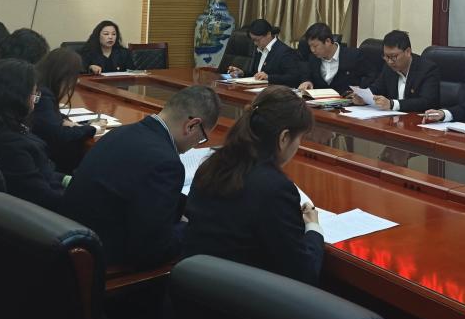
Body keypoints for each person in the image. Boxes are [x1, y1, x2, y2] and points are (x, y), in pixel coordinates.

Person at [62, 85, 221, 269]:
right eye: (201, 138)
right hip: (106, 266)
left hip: (73, 246)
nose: (197, 144)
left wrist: (182, 210)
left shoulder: (119, 133)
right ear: (191, 125)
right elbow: (155, 250)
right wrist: (192, 229)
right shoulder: (166, 163)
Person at [183, 86, 323, 285]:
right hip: (243, 298)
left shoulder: (211, 165)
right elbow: (304, 272)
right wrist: (313, 227)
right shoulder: (275, 188)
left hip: (195, 291)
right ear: (284, 138)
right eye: (299, 138)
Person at [0, 58, 66, 211]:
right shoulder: (12, 146)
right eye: (33, 95)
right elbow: (45, 198)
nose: (34, 102)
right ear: (17, 97)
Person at [31, 47, 101, 172]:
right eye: (74, 75)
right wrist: (94, 128)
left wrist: (63, 120)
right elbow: (60, 135)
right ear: (62, 74)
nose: (77, 81)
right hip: (52, 166)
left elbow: (48, 118)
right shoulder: (43, 95)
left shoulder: (41, 87)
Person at [354, 30, 439, 113]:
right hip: (392, 118)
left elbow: (426, 102)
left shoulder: (427, 69)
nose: (390, 61)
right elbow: (377, 88)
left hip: (416, 119)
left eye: (393, 56)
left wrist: (392, 104)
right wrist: (364, 97)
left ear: (408, 52)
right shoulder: (389, 67)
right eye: (386, 56)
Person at [297, 22, 371, 95]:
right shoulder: (313, 59)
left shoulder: (354, 56)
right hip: (319, 100)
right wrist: (307, 81)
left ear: (328, 41)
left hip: (347, 100)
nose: (312, 50)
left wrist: (360, 90)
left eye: (315, 46)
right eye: (310, 46)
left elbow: (370, 77)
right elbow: (307, 75)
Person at [227, 19, 304, 87]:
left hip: (276, 93)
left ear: (268, 34)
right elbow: (257, 74)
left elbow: (293, 78)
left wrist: (269, 77)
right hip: (258, 90)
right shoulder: (259, 49)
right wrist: (243, 73)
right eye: (253, 40)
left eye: (257, 40)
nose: (255, 43)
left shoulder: (284, 52)